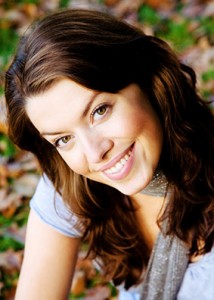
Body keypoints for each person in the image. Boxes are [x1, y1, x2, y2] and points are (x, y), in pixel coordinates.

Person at [5, 8, 214, 300]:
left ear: (147, 80)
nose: (94, 153)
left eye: (99, 111)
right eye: (64, 139)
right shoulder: (72, 185)